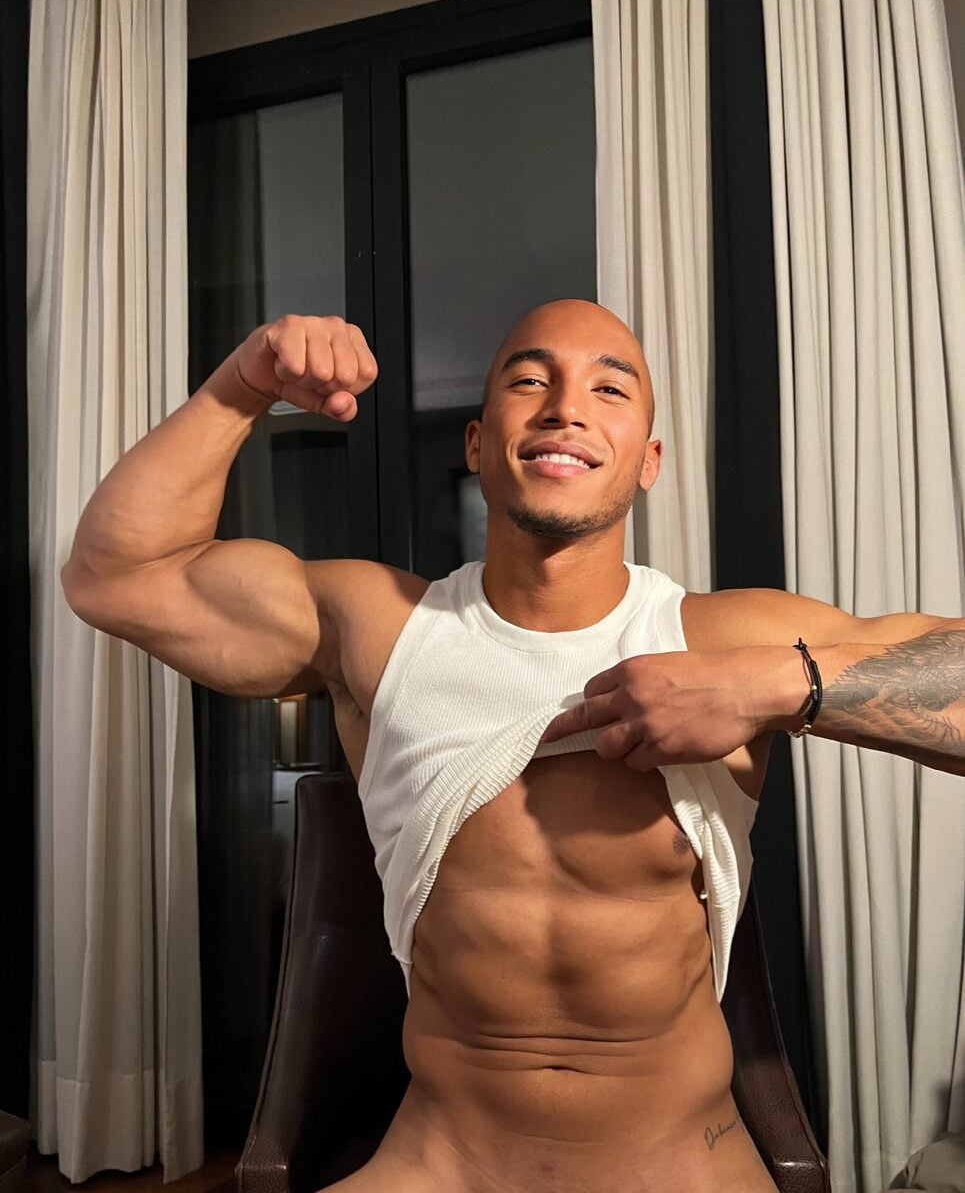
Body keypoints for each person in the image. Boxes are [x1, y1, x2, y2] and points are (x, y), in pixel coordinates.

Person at [62, 301, 964, 1193]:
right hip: (440, 1163)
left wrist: (771, 685)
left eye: (608, 389)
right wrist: (242, 386)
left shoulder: (728, 638)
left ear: (648, 461)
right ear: (476, 443)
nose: (564, 407)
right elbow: (115, 579)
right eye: (529, 381)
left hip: (681, 1163)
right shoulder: (376, 627)